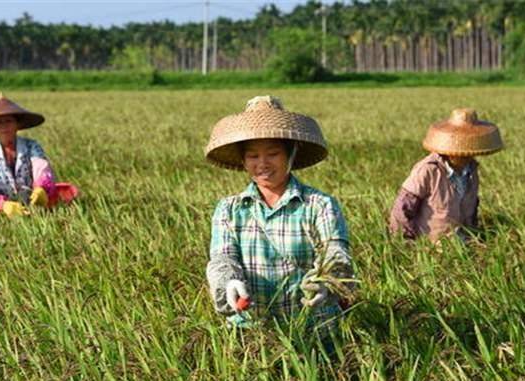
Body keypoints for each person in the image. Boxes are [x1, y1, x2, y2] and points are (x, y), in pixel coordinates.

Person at [204, 95, 355, 336]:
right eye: (253, 156)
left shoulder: (319, 205)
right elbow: (222, 258)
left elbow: (335, 252)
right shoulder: (229, 209)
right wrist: (229, 283)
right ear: (243, 161)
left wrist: (327, 282)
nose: (262, 163)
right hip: (252, 328)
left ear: (290, 155)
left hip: (314, 327)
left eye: (272, 154)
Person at [389, 108, 503, 242]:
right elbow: (402, 209)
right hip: (431, 247)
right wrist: (406, 243)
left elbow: (472, 208)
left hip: (466, 244)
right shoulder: (428, 170)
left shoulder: (472, 169)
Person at [0, 93, 78, 216]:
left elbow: (43, 170)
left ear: (17, 124)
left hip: (34, 203)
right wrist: (2, 205)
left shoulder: (32, 146)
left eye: (8, 121)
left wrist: (41, 189)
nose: (4, 126)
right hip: (3, 210)